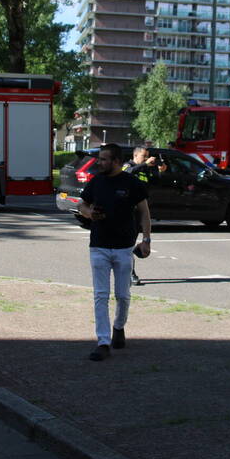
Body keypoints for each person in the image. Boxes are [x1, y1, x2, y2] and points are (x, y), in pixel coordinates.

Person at [78, 143, 151, 362]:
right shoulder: (96, 182)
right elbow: (82, 204)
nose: (99, 163)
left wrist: (146, 240)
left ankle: (118, 327)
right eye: (99, 159)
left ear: (117, 161)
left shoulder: (132, 184)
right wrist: (89, 213)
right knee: (101, 295)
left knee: (122, 295)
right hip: (98, 245)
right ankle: (103, 341)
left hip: (124, 247)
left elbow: (144, 213)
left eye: (103, 159)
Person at [122, 146, 166, 286]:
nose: (147, 159)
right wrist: (144, 164)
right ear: (135, 156)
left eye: (148, 156)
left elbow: (155, 184)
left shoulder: (145, 169)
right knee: (127, 243)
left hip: (140, 211)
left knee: (130, 243)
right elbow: (125, 174)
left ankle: (130, 257)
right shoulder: (128, 165)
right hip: (126, 211)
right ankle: (130, 273)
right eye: (144, 156)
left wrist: (161, 171)